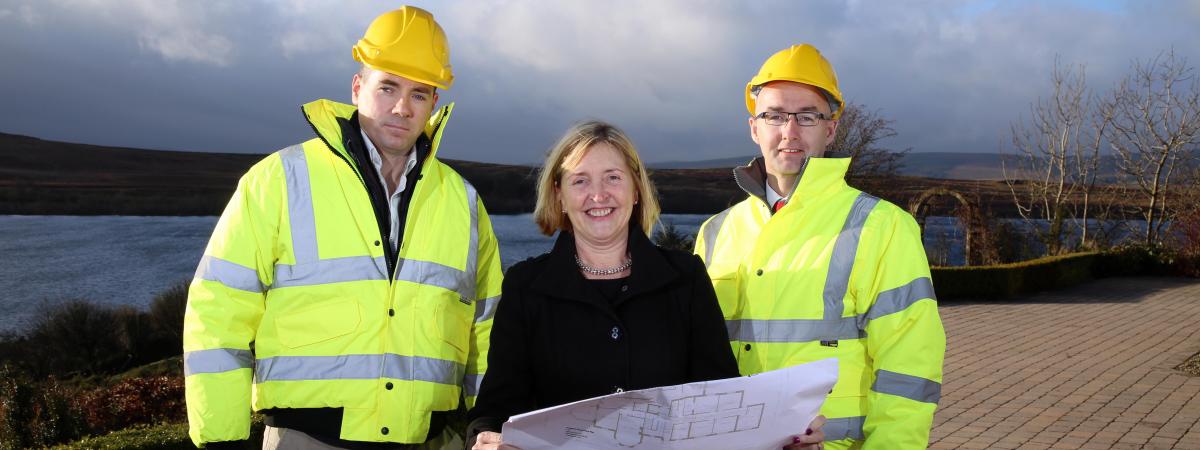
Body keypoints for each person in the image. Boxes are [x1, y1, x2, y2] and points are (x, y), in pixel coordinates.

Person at [182, 6, 503, 449]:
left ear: (434, 104)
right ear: (357, 88)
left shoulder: (463, 201)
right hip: (308, 438)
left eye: (418, 94)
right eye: (387, 86)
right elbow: (218, 309)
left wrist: (486, 422)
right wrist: (221, 438)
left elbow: (487, 325)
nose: (401, 107)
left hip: (433, 439)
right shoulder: (279, 179)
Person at [464, 121, 825, 450]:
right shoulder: (526, 286)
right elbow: (495, 409)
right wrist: (484, 441)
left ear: (636, 190)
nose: (598, 194)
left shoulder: (685, 278)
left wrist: (785, 442)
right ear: (558, 194)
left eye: (613, 178)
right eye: (580, 180)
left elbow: (721, 403)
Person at [694, 44, 946, 450]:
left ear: (830, 129)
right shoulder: (715, 232)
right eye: (774, 115)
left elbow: (909, 370)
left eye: (807, 116)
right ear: (754, 128)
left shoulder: (883, 227)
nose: (789, 132)